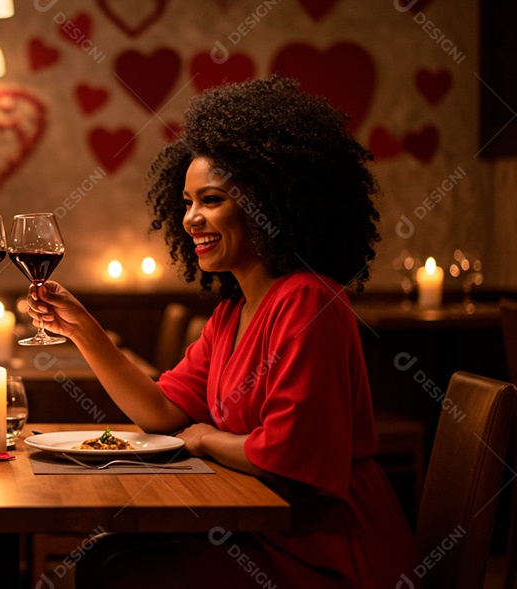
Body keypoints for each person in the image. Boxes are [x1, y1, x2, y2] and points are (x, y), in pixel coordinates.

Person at [27, 77, 418, 587]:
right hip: (261, 530)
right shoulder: (232, 313)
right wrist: (84, 332)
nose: (191, 219)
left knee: (119, 569)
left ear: (273, 202)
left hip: (326, 550)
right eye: (187, 201)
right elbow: (160, 412)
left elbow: (286, 461)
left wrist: (207, 439)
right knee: (107, 559)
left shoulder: (308, 300)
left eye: (210, 200)